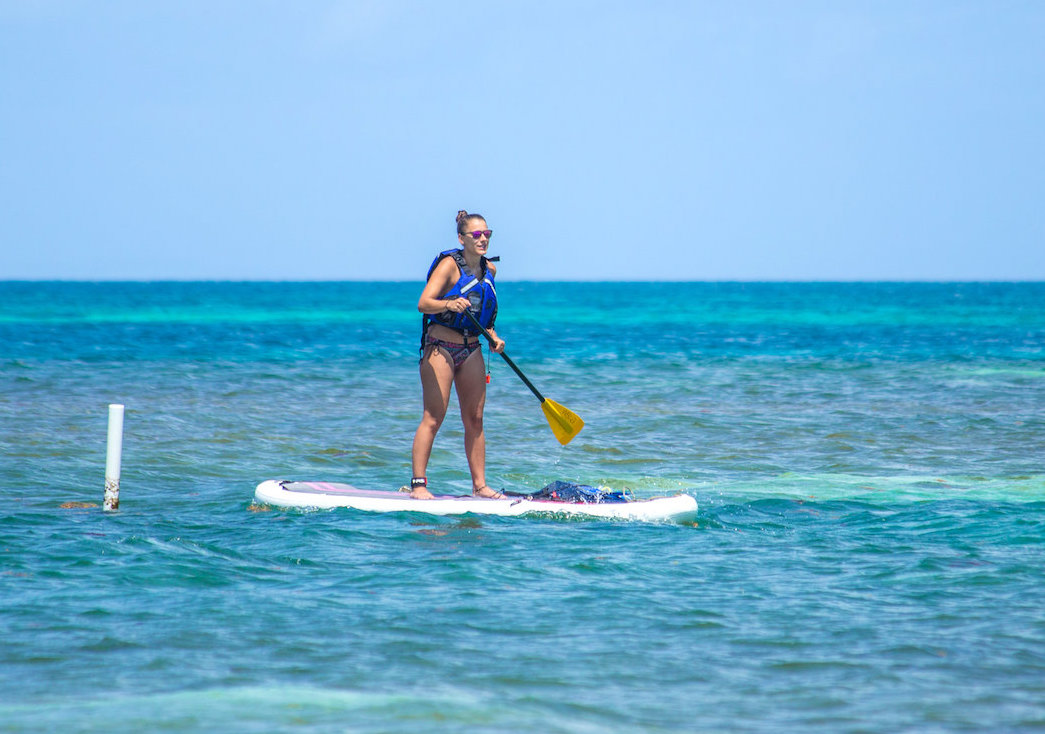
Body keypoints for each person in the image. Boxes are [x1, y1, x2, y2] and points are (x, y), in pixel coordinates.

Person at [409, 210, 506, 499]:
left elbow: (484, 313)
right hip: (440, 347)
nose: (482, 239)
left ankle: (480, 486)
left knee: (475, 419)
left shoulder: (491, 270)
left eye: (487, 234)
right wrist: (448, 305)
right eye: (476, 235)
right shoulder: (450, 266)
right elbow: (424, 303)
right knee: (433, 417)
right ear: (462, 238)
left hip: (472, 349)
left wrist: (493, 335)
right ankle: (418, 485)